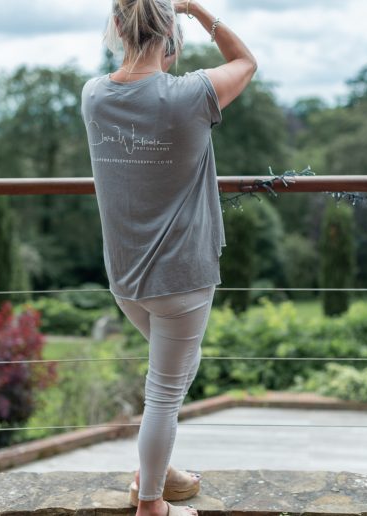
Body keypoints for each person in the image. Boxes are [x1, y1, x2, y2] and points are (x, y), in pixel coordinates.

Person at [81, 1, 257, 515]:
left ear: (116, 28)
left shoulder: (95, 96)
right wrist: (199, 9)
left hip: (126, 281)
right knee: (164, 393)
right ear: (171, 34)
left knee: (178, 373)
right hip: (182, 278)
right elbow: (246, 62)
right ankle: (151, 503)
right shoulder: (191, 94)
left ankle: (152, 470)